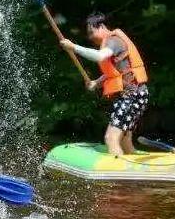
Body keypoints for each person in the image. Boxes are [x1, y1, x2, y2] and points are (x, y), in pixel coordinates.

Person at [60, 14, 149, 156]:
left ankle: (118, 173)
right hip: (137, 94)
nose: (90, 37)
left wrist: (74, 47)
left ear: (101, 26)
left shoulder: (113, 40)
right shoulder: (112, 43)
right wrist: (96, 83)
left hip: (131, 96)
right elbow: (115, 73)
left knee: (111, 138)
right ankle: (134, 170)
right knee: (125, 142)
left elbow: (99, 56)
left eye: (91, 32)